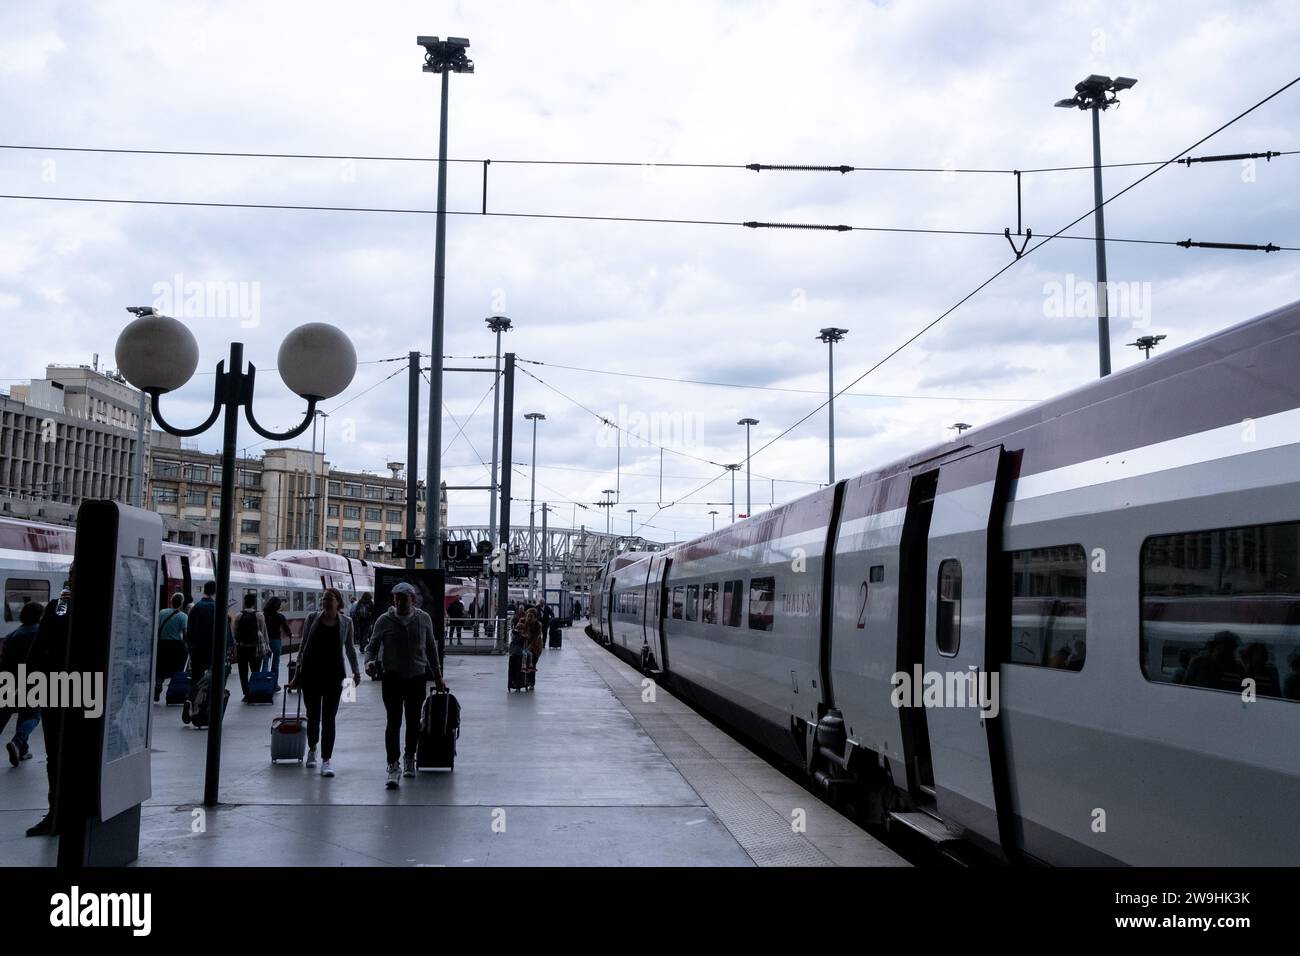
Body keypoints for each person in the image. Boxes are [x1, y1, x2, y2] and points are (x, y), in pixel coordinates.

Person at [366, 582, 445, 788]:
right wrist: (369, 662)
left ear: (413, 599)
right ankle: (393, 765)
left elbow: (431, 649)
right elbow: (372, 646)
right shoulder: (384, 620)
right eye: (397, 598)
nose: (400, 602)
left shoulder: (424, 619)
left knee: (412, 721)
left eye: (404, 598)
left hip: (417, 678)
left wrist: (438, 675)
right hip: (392, 677)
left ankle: (410, 757)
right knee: (393, 722)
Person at [289, 588, 361, 777]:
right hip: (311, 674)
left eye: (329, 599)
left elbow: (350, 649)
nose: (325, 602)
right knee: (313, 715)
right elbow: (303, 647)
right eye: (323, 599)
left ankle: (326, 760)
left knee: (329, 718)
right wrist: (296, 676)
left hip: (335, 675)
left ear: (338, 602)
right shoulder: (312, 618)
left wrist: (356, 672)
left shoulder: (347, 622)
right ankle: (312, 749)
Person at [25, 578, 72, 837]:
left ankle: (56, 813)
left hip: (58, 688)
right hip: (91, 689)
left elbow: (38, 651)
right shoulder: (110, 606)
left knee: (55, 755)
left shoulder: (58, 607)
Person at [0, 601, 43, 766]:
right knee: (32, 715)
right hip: (32, 681)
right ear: (40, 616)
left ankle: (22, 750)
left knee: (4, 713)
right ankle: (18, 743)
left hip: (9, 680)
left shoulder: (12, 635)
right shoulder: (40, 633)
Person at [231, 593, 269, 702]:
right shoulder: (259, 615)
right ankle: (254, 691)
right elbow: (263, 632)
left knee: (243, 672)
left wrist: (235, 647)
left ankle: (246, 693)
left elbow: (235, 633)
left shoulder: (238, 615)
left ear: (244, 603)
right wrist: (267, 646)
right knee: (255, 671)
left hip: (242, 648)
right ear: (254, 603)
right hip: (255, 648)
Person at [154, 592, 189, 703]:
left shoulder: (162, 612)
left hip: (162, 645)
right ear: (181, 603)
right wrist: (185, 644)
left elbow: (157, 628)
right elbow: (185, 633)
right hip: (176, 647)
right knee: (176, 669)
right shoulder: (183, 616)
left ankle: (158, 687)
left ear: (171, 601)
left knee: (160, 669)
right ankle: (172, 691)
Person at [263, 595, 292, 689]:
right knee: (275, 663)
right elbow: (287, 630)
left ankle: (264, 683)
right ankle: (274, 684)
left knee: (265, 662)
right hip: (276, 641)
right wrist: (290, 635)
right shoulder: (280, 617)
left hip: (265, 641)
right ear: (278, 606)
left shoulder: (263, 615)